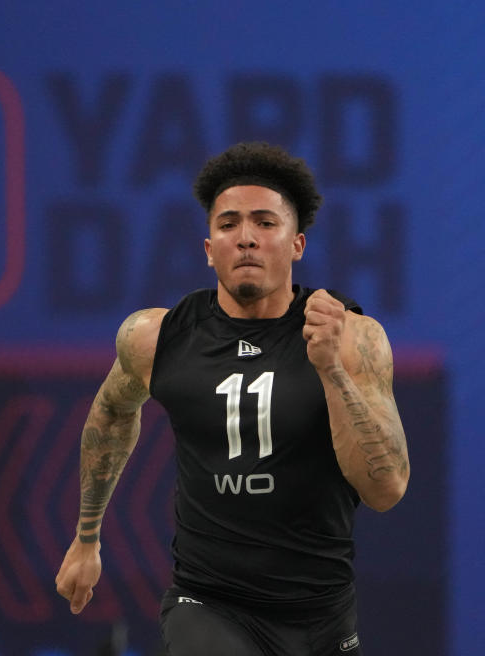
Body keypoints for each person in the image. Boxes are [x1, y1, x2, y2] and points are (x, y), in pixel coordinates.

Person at [55, 142, 410, 655]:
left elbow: (387, 489)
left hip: (319, 613)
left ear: (297, 245)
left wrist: (331, 370)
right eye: (228, 225)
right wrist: (87, 535)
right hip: (208, 603)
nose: (246, 238)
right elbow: (111, 413)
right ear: (208, 248)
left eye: (266, 223)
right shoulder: (156, 337)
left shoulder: (351, 338)